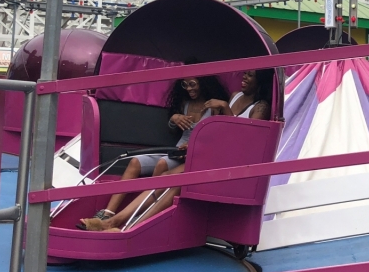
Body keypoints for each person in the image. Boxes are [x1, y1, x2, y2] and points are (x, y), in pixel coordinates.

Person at [84, 69, 274, 233]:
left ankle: (131, 227)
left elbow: (245, 140)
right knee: (166, 177)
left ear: (260, 81)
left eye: (250, 75)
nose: (244, 78)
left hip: (229, 162)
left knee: (176, 181)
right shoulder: (235, 96)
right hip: (207, 154)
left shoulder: (260, 107)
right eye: (245, 73)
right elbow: (218, 132)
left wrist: (224, 108)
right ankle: (113, 221)